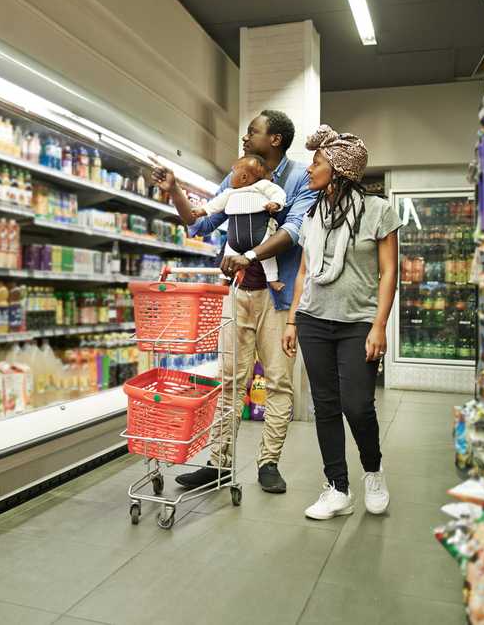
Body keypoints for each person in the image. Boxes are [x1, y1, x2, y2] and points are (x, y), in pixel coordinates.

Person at [153, 110, 317, 494]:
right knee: (228, 381)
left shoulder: (299, 181)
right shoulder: (237, 176)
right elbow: (199, 223)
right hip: (238, 292)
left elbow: (293, 232)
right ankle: (219, 462)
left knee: (278, 382)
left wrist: (251, 256)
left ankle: (268, 463)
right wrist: (175, 190)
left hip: (278, 297)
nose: (245, 137)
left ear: (274, 139)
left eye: (252, 131)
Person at [281, 125, 401, 520]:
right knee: (325, 406)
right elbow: (302, 273)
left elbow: (389, 272)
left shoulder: (379, 211)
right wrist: (294, 320)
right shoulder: (313, 213)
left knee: (357, 405)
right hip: (314, 320)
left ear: (338, 169)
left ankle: (373, 470)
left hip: (358, 323)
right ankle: (337, 488)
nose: (310, 170)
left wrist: (379, 325)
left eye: (316, 163)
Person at [196, 154, 287, 292]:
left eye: (233, 172)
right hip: (234, 238)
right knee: (227, 257)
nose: (231, 175)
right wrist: (203, 210)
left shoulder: (262, 186)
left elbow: (278, 193)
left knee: (268, 258)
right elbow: (216, 204)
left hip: (260, 235)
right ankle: (224, 279)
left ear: (244, 177)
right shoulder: (229, 193)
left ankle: (272, 279)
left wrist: (276, 203)